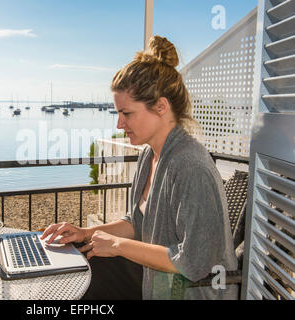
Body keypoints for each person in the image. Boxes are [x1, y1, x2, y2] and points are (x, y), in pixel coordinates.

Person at [41, 36, 238, 300]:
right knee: (77, 274)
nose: (119, 125)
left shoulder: (191, 166)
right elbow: (137, 222)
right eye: (117, 114)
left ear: (160, 107)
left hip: (187, 293)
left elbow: (194, 261)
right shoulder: (149, 155)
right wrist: (84, 232)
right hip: (156, 281)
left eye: (127, 113)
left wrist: (117, 245)